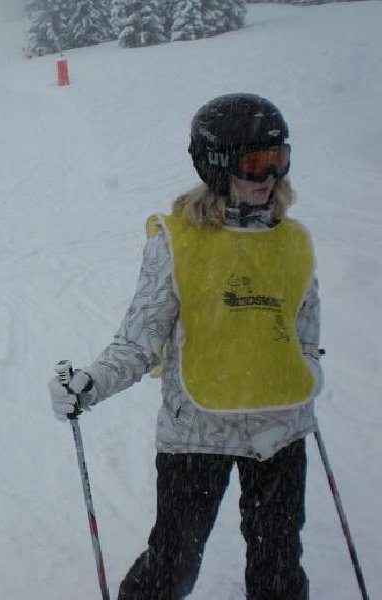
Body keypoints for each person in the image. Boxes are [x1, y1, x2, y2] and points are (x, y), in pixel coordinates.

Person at [48, 93, 322, 600]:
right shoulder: (178, 242)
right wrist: (90, 384)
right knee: (172, 565)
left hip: (281, 429)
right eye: (255, 163)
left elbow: (305, 336)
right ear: (216, 165)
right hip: (197, 433)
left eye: (279, 161)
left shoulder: (295, 242)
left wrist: (307, 375)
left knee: (279, 569)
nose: (269, 177)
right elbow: (139, 340)